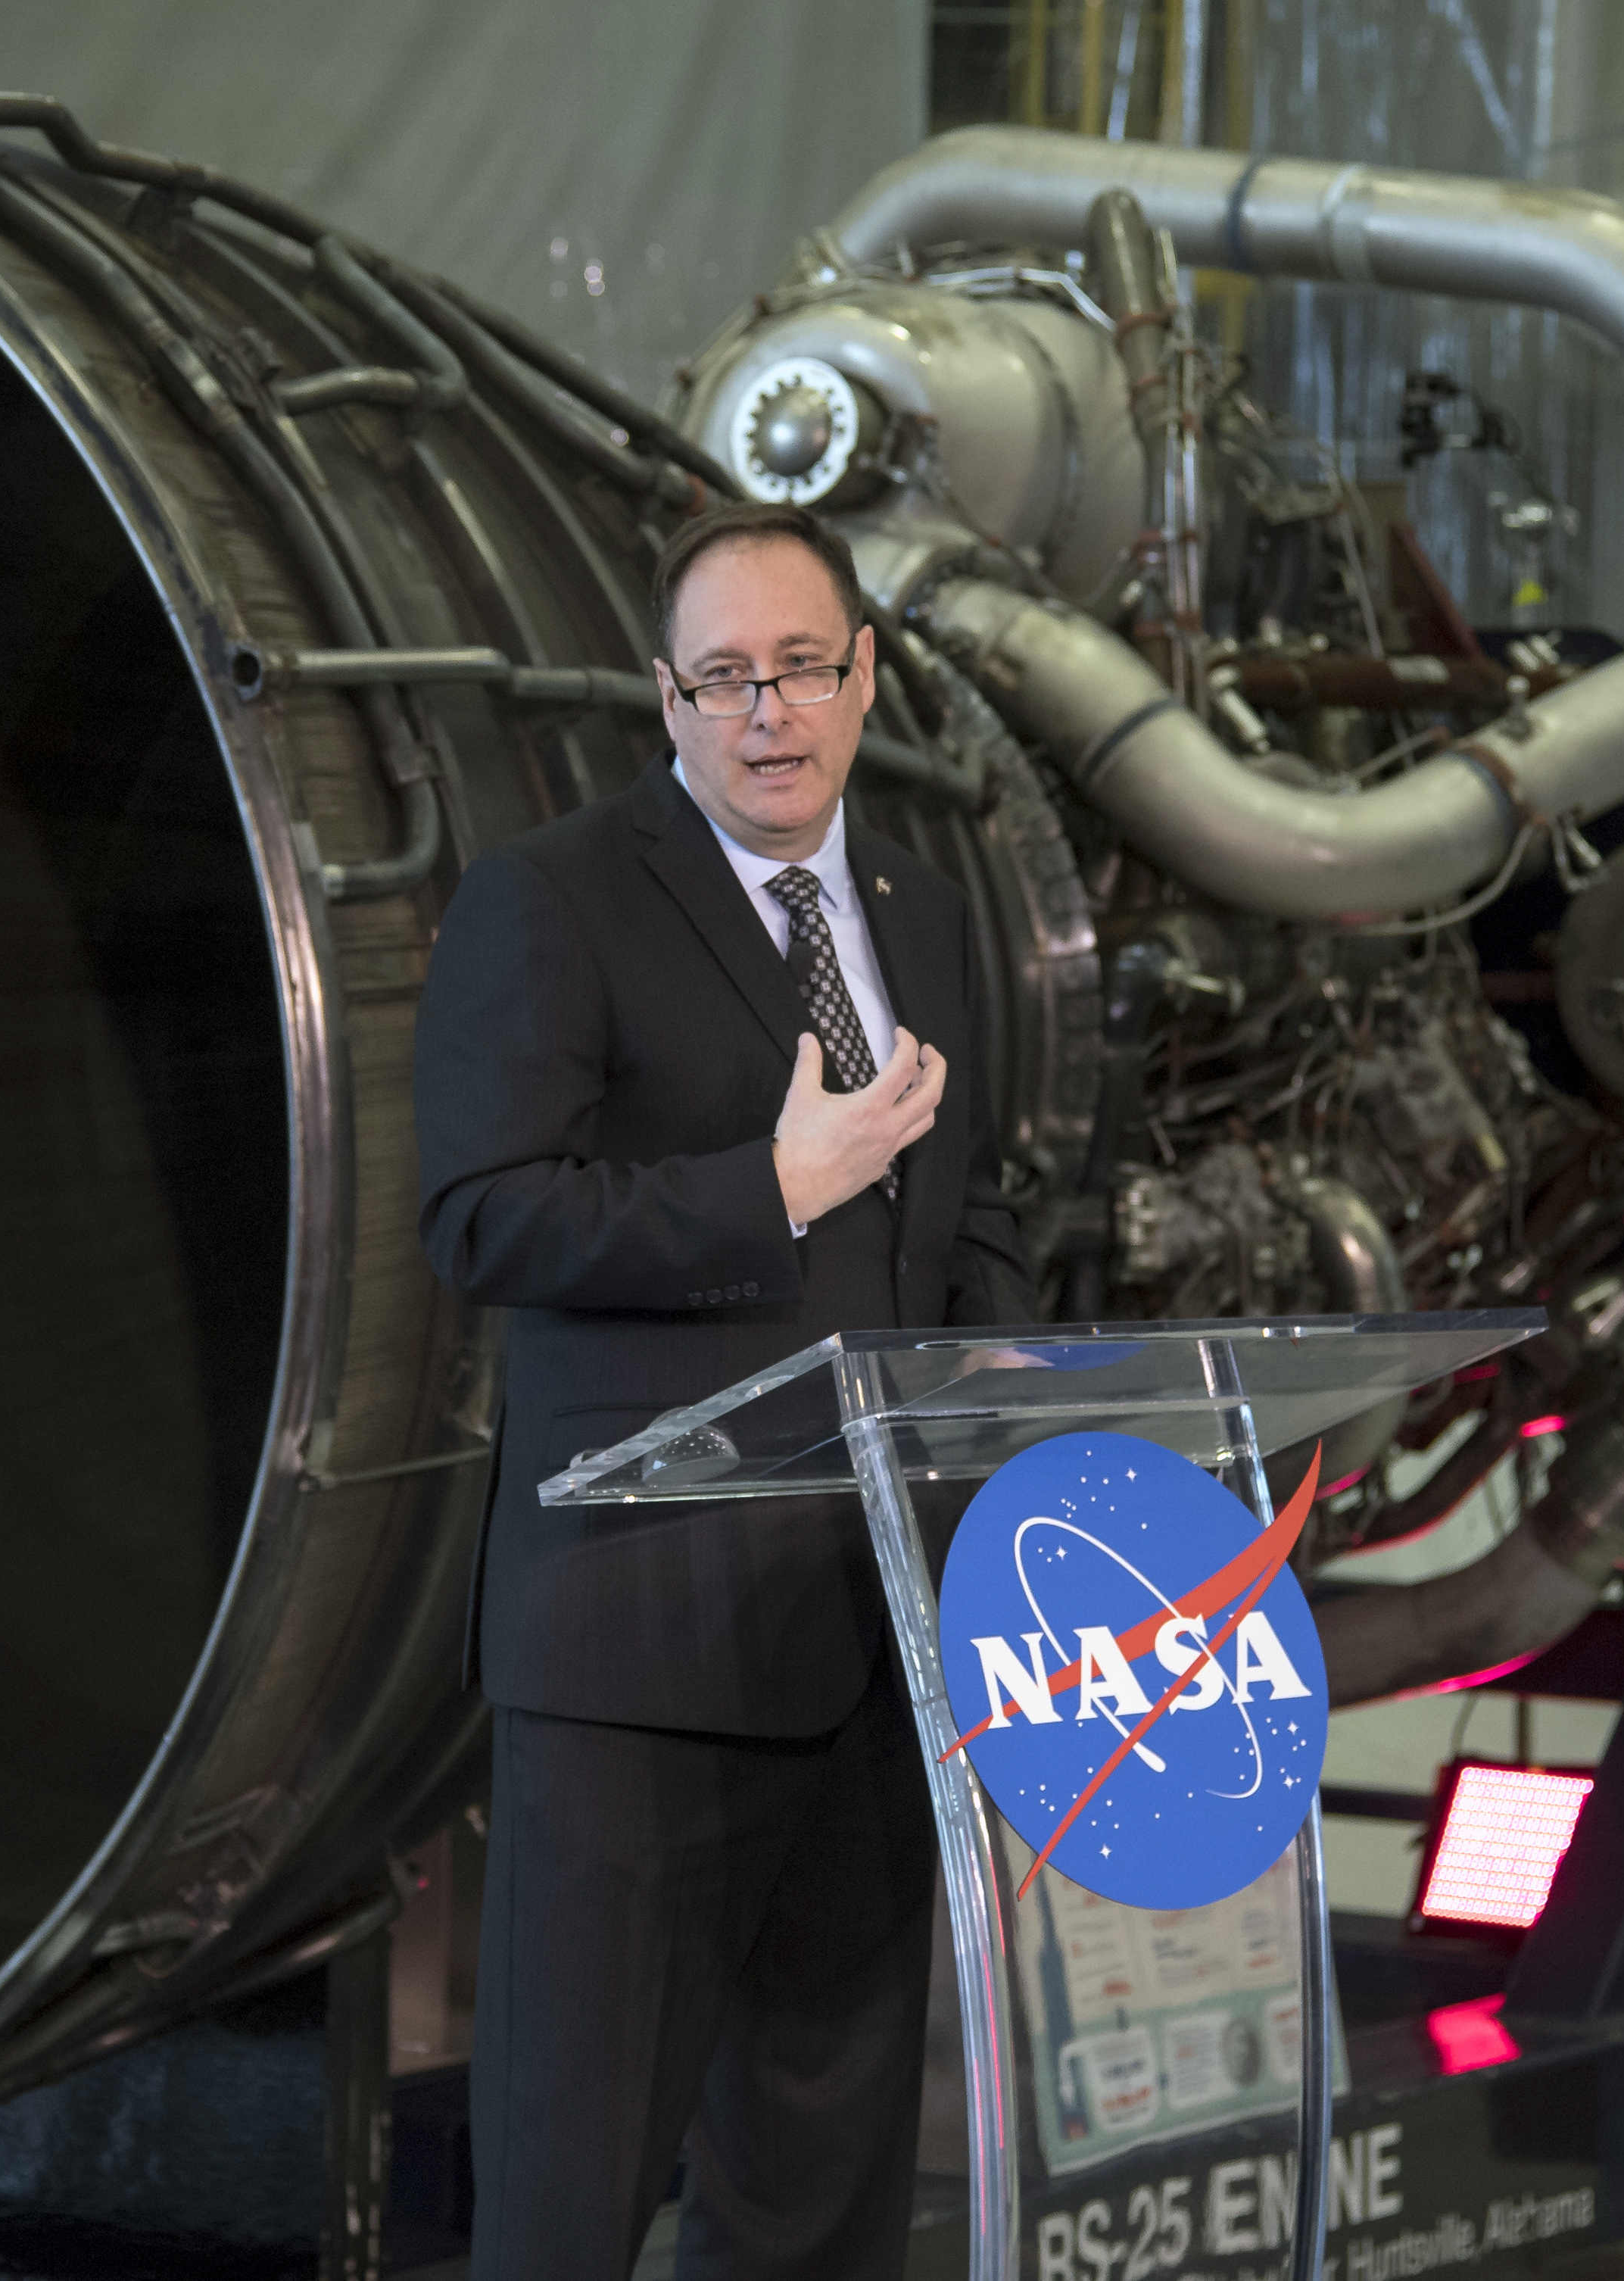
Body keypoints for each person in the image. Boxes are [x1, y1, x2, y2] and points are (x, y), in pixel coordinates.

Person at [413, 498, 1033, 2279]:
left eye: (800, 671)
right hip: (636, 1671)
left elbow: (975, 1201)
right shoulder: (551, 901)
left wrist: (976, 1382)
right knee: (567, 2197)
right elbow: (479, 1218)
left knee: (819, 2196)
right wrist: (768, 1189)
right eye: (722, 679)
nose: (767, 713)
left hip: (865, 1644)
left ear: (864, 678)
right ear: (663, 701)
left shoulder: (918, 903)